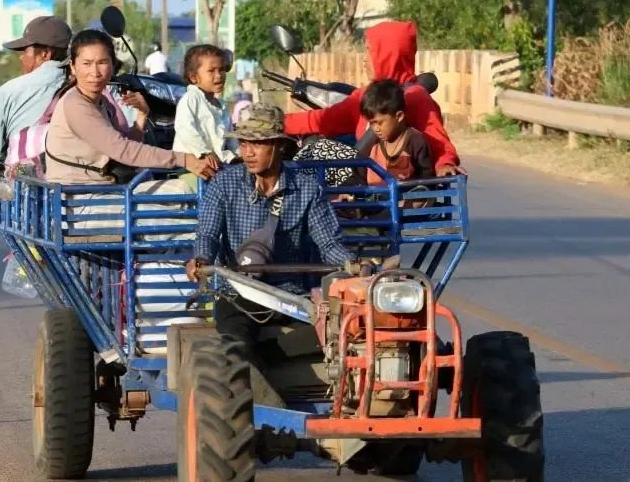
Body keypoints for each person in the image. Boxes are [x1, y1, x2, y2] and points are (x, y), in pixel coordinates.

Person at [185, 103, 351, 406]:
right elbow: (207, 234)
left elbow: (329, 245)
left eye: (257, 144)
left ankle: (263, 361)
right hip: (238, 294)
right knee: (234, 345)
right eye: (243, 143)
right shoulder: (224, 184)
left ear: (278, 147)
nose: (248, 152)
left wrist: (352, 266)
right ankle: (274, 413)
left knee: (342, 337)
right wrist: (202, 260)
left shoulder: (306, 189)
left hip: (291, 296)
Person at [44, 30, 217, 239]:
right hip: (77, 205)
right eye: (86, 63)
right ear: (73, 66)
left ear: (112, 65)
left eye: (102, 62)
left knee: (181, 189)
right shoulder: (75, 104)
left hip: (105, 194)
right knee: (184, 227)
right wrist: (184, 159)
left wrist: (143, 115)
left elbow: (124, 149)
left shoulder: (101, 102)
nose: (95, 72)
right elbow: (123, 150)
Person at [283, 20, 464, 177]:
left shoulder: (416, 98)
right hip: (365, 179)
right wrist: (278, 123)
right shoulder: (364, 96)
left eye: (370, 52)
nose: (364, 60)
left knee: (314, 154)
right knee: (313, 147)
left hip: (399, 185)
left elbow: (438, 141)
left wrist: (445, 164)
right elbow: (323, 119)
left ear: (388, 56)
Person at [0, 16, 72, 171]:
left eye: (26, 51)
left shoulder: (7, 92)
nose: (21, 57)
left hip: (26, 184)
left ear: (45, 54)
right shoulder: (88, 86)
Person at [173, 44, 238, 191]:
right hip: (193, 169)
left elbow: (229, 135)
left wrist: (239, 154)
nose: (219, 75)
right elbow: (185, 128)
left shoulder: (220, 105)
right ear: (194, 77)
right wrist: (203, 152)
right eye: (211, 71)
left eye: (221, 70)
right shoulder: (191, 99)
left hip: (216, 167)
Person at [356, 79, 434, 186]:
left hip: (408, 200)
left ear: (399, 116)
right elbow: (357, 174)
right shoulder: (372, 145)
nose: (375, 129)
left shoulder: (416, 142)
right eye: (371, 123)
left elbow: (427, 180)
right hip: (376, 201)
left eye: (379, 123)